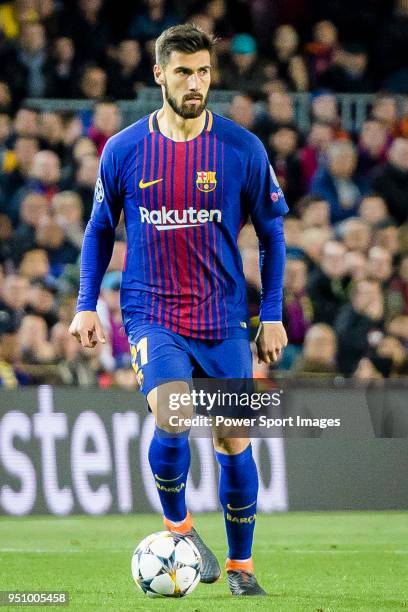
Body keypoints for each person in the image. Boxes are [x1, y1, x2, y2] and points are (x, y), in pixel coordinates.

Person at [69, 24, 288, 596]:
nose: (196, 83)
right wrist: (86, 304)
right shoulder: (123, 149)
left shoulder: (242, 148)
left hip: (222, 319)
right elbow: (98, 230)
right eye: (184, 72)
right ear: (159, 74)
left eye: (204, 72)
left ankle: (241, 569)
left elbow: (273, 235)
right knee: (173, 414)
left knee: (233, 439)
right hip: (152, 314)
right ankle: (181, 529)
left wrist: (272, 312)